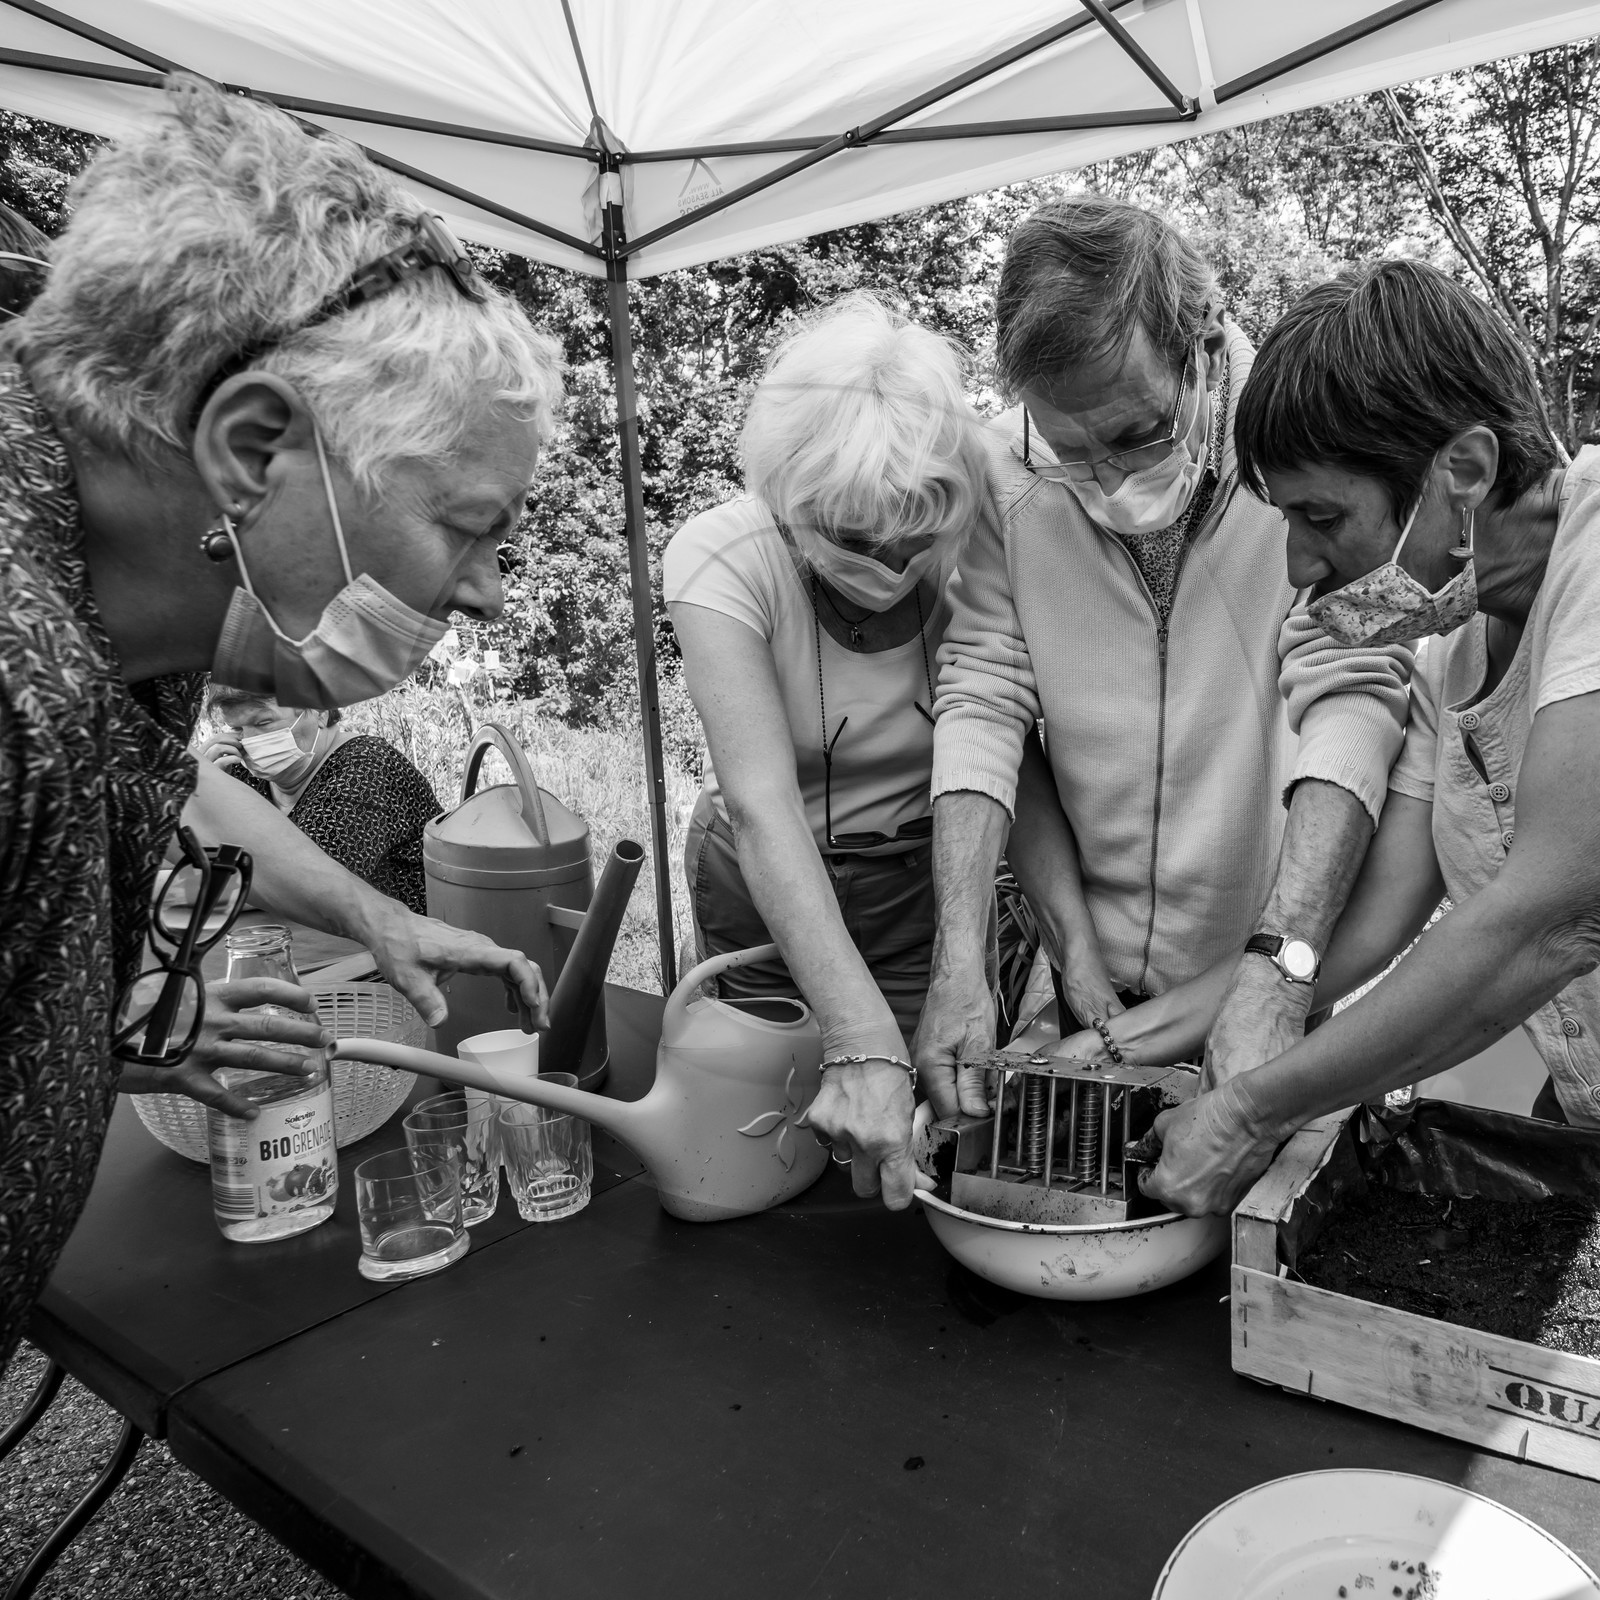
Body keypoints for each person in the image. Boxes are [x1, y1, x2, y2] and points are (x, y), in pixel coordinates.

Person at [0, 76, 563, 1369]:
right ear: (253, 448)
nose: (482, 587)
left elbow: (185, 786)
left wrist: (362, 914)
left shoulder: (113, 614)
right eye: (467, 526)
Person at [915, 195, 1416, 1122]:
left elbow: (1355, 687)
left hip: (1268, 965)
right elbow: (985, 704)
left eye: (1135, 434)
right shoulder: (1004, 472)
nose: (1108, 478)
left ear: (1202, 349)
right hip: (1083, 973)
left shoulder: (1306, 441)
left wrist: (1282, 966)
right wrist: (969, 955)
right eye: (1072, 450)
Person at [1143, 259, 1600, 1217]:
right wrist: (1126, 1044)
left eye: (1322, 516)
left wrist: (1243, 1115)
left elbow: (1546, 924)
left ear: (1464, 473)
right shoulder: (1454, 643)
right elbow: (1376, 919)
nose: (1301, 566)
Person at [664, 294, 995, 1210]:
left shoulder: (977, 549)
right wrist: (858, 1034)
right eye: (855, 538)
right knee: (767, 1129)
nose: (891, 565)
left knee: (917, 1124)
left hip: (916, 884)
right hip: (768, 888)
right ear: (791, 494)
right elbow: (764, 805)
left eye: (915, 533)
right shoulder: (722, 558)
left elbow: (1015, 749)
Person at [203, 686, 440, 914]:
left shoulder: (366, 768)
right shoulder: (243, 771)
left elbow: (304, 890)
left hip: (401, 944)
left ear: (320, 711)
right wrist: (207, 792)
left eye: (263, 723)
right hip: (320, 941)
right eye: (236, 729)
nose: (249, 741)